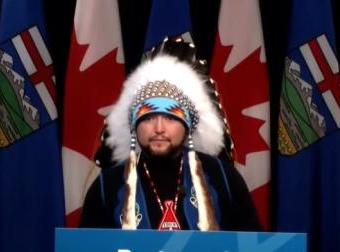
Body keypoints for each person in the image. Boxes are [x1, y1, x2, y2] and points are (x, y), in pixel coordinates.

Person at [80, 39, 262, 231]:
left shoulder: (222, 178)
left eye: (170, 118)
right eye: (149, 118)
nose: (159, 128)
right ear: (134, 125)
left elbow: (251, 245)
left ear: (188, 126)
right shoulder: (107, 186)